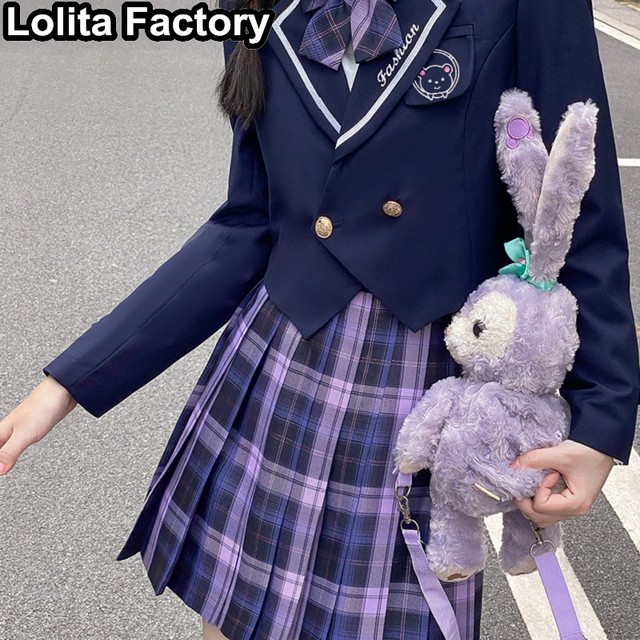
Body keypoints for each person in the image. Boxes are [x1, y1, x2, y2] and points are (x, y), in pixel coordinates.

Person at [1, 0, 638, 638]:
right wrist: (67, 384)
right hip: (282, 377)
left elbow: (574, 201)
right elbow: (249, 223)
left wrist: (602, 417)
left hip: (417, 384)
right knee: (237, 618)